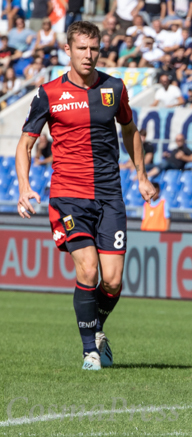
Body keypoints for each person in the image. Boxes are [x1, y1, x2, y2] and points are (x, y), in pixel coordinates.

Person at [17, 21, 155, 371]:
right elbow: (26, 143)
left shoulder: (114, 88)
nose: (89, 55)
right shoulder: (49, 93)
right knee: (89, 269)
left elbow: (130, 130)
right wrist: (24, 186)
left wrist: (141, 175)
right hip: (68, 195)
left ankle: (95, 329)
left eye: (94, 49)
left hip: (110, 194)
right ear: (68, 50)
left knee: (112, 280)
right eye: (82, 49)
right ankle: (89, 352)